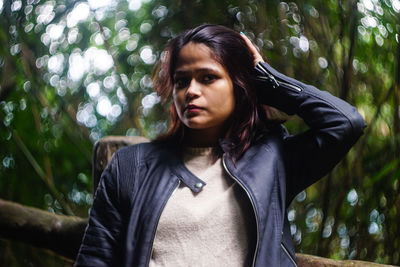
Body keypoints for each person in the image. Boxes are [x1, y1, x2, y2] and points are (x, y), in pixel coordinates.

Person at [74, 24, 366, 267]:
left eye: (208, 78)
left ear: (239, 84)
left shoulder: (272, 160)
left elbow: (345, 123)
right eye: (181, 81)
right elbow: (95, 259)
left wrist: (267, 80)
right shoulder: (131, 166)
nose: (191, 91)